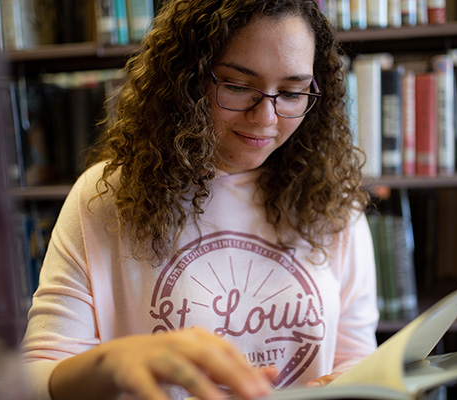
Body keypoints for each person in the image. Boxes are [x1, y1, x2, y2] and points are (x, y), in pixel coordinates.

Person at [20, 1, 379, 399]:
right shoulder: (104, 199)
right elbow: (35, 378)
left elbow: (355, 357)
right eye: (239, 86)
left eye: (292, 93)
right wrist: (111, 363)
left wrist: (352, 384)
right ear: (186, 79)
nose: (266, 117)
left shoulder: (331, 203)